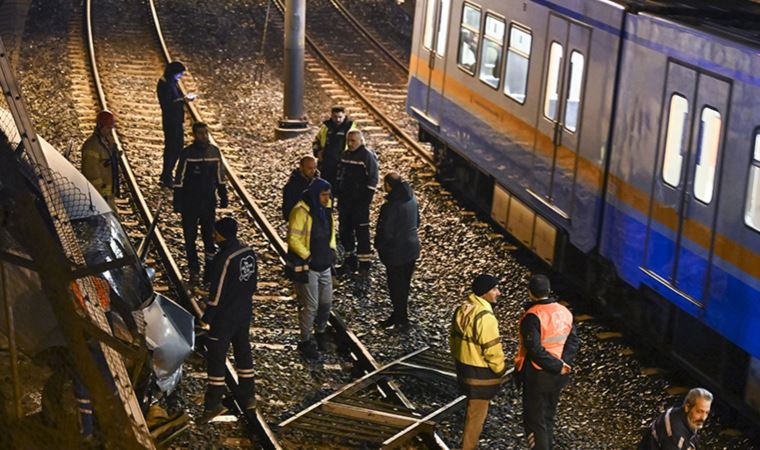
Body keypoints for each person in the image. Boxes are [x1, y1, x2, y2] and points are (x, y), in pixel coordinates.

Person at [198, 217, 258, 422]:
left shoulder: (225, 258)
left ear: (221, 234)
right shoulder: (247, 252)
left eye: (215, 233)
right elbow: (253, 285)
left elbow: (217, 292)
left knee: (216, 357)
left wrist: (206, 317)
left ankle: (213, 403)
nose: (213, 236)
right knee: (243, 351)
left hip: (225, 317)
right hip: (244, 311)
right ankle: (248, 396)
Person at [515, 274, 579, 450]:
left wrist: (556, 365)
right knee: (547, 418)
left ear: (530, 293)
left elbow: (534, 349)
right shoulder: (564, 311)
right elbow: (573, 342)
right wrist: (563, 364)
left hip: (538, 376)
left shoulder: (533, 316)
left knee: (535, 422)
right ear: (548, 290)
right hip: (558, 376)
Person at [449, 274, 506, 450]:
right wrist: (500, 368)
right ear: (484, 293)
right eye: (494, 289)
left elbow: (453, 339)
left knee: (472, 411)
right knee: (476, 416)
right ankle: (468, 447)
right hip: (480, 374)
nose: (498, 292)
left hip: (463, 367)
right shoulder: (485, 317)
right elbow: (492, 350)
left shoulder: (463, 308)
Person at [287, 178, 336, 361]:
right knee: (311, 305)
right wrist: (308, 256)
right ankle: (305, 340)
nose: (327, 198)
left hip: (324, 265)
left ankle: (320, 332)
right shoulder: (300, 211)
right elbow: (293, 239)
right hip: (309, 266)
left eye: (328, 194)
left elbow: (331, 231)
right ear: (316, 194)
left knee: (326, 303)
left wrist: (331, 250)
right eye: (324, 195)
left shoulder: (326, 209)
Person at [173, 122, 228, 285]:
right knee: (190, 238)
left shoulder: (214, 152)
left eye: (206, 132)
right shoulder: (187, 154)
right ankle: (194, 269)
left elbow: (220, 176)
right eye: (200, 133)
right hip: (190, 203)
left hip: (208, 203)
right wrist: (177, 201)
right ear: (194, 135)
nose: (204, 136)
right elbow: (179, 179)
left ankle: (209, 272)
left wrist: (223, 195)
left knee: (209, 238)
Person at [375, 172, 420, 331]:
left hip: (396, 251)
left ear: (389, 186)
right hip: (412, 249)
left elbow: (386, 232)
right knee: (404, 286)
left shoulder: (391, 206)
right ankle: (399, 315)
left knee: (395, 286)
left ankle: (401, 320)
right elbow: (418, 222)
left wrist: (380, 246)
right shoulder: (412, 199)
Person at [335, 129, 378, 276]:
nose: (350, 144)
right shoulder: (345, 155)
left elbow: (373, 179)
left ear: (361, 141)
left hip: (359, 202)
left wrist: (365, 200)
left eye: (353, 141)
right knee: (345, 231)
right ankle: (350, 261)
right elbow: (340, 176)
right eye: (349, 141)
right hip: (346, 202)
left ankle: (364, 264)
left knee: (362, 232)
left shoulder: (367, 157)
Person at [157, 60, 195, 187]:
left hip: (177, 120)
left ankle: (167, 174)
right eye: (179, 74)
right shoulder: (164, 84)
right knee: (172, 148)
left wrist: (182, 99)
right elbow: (167, 103)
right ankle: (166, 175)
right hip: (170, 121)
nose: (180, 77)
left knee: (177, 148)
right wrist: (184, 100)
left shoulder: (172, 82)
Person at [638, 388, 713, 450]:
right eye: (699, 411)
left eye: (707, 413)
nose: (703, 418)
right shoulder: (675, 435)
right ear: (687, 407)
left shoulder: (681, 414)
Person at [81, 110, 119, 209]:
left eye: (111, 128)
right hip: (100, 195)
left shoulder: (107, 142)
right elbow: (90, 171)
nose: (110, 131)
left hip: (108, 194)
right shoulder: (92, 146)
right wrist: (99, 191)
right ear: (100, 126)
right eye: (108, 128)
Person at [312, 106, 355, 188]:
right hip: (326, 164)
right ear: (331, 116)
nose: (337, 120)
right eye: (335, 117)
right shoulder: (326, 127)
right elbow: (316, 140)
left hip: (344, 164)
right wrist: (317, 152)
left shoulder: (350, 127)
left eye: (340, 117)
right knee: (325, 187)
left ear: (344, 115)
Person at [282, 155, 318, 222]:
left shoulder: (320, 184)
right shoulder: (291, 187)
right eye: (309, 168)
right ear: (301, 168)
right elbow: (287, 214)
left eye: (314, 168)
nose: (313, 171)